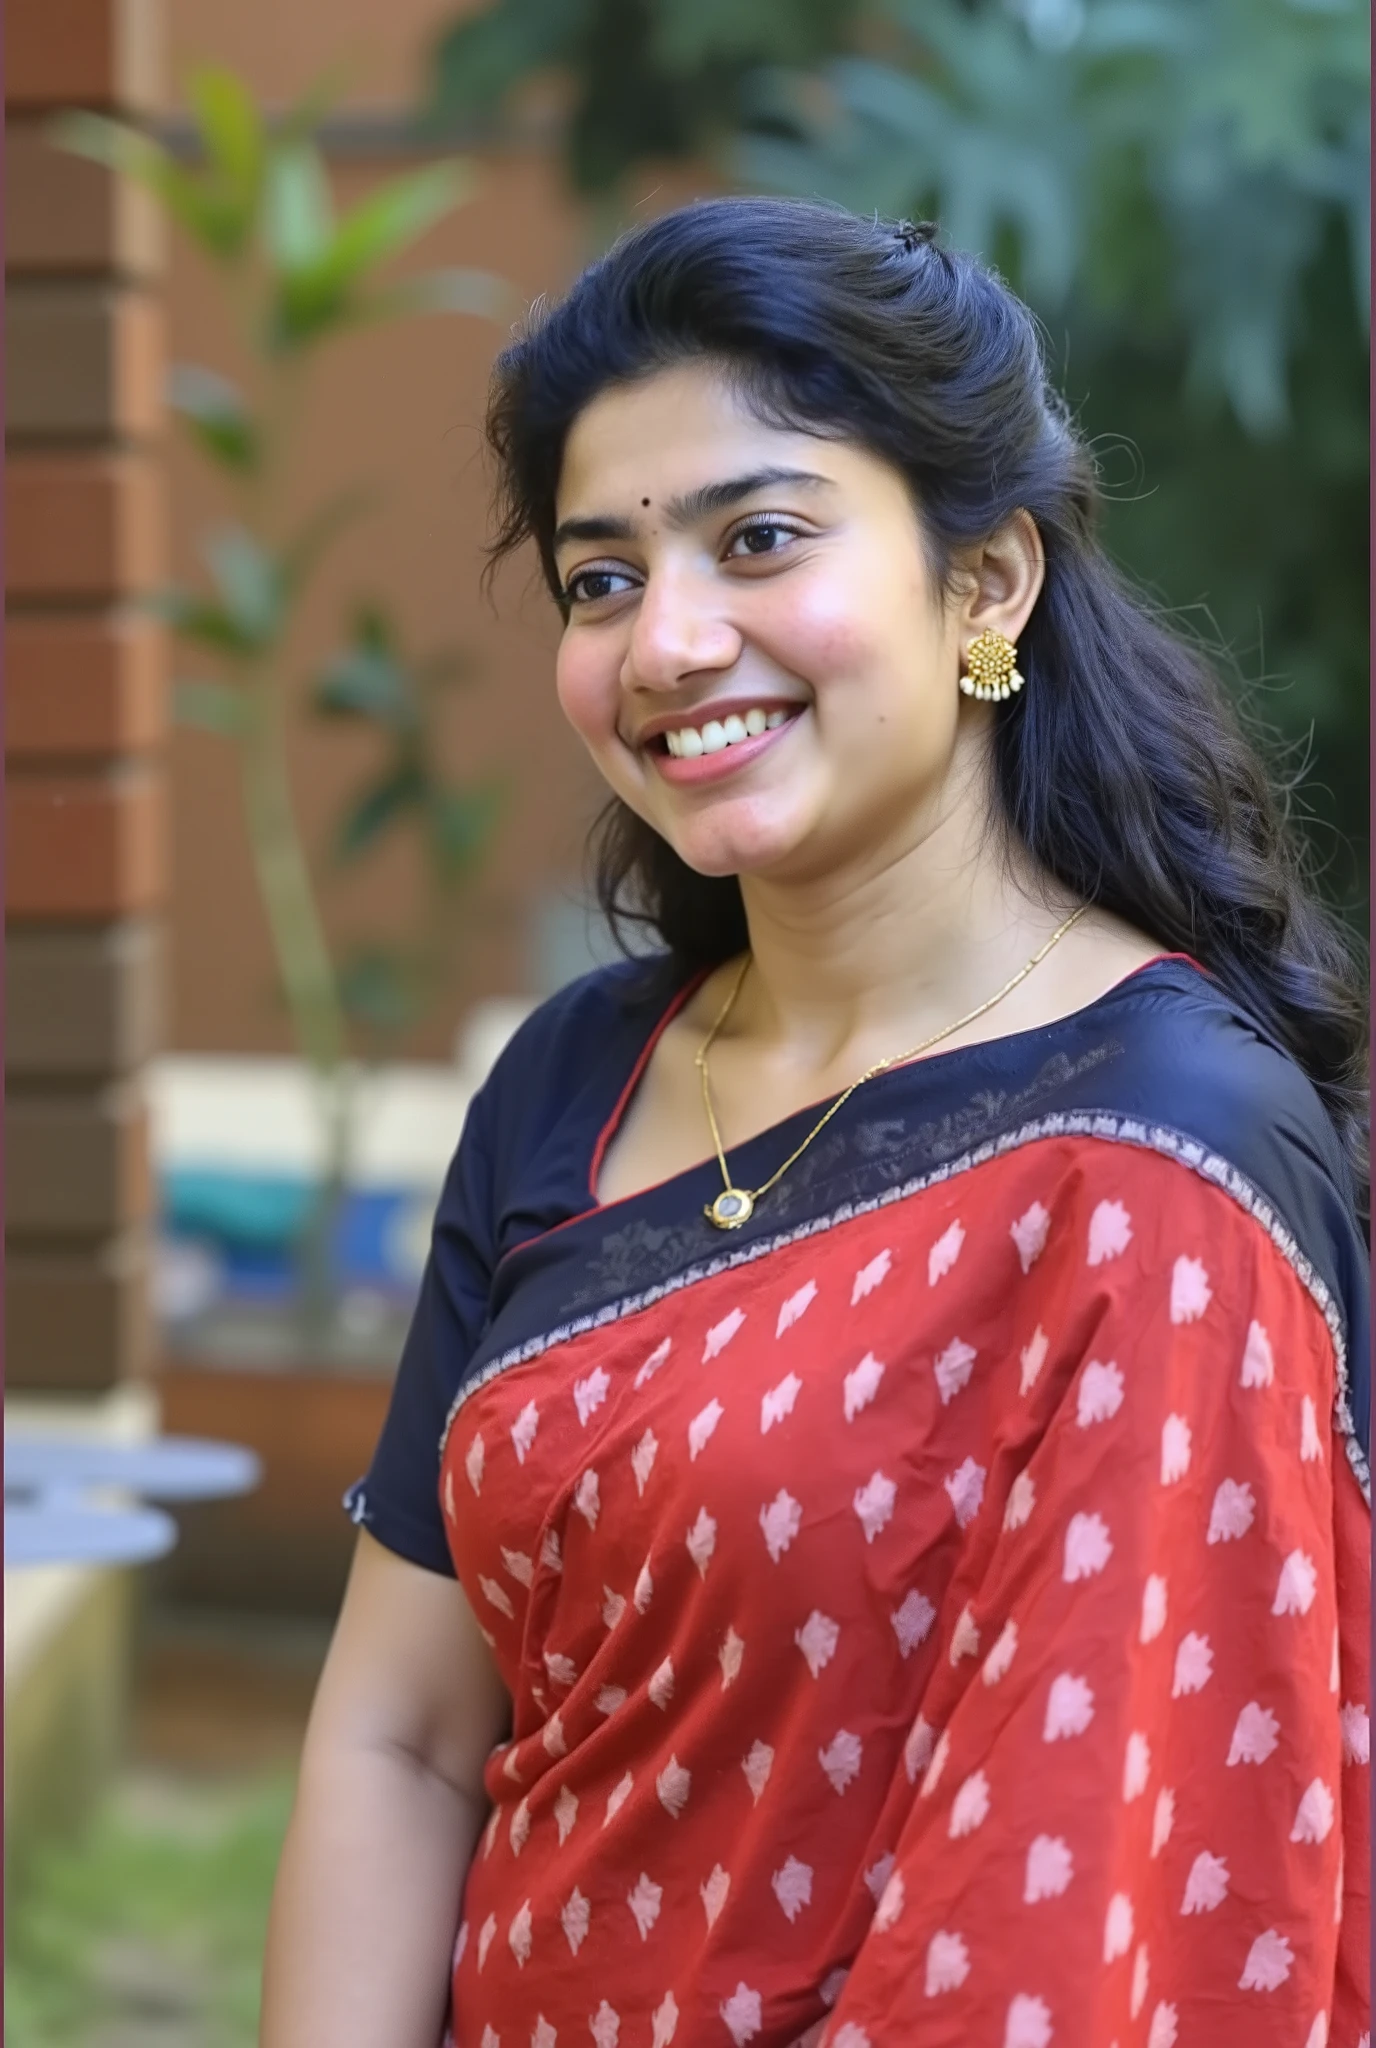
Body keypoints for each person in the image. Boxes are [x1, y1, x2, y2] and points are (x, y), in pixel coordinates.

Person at [259, 199, 1370, 2048]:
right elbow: (407, 1733)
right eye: (599, 579)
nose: (668, 642)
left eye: (757, 539)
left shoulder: (1158, 1161)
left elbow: (1078, 1926)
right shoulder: (577, 1078)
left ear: (987, 584)